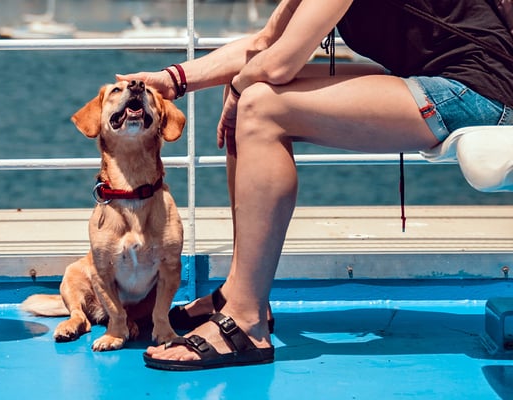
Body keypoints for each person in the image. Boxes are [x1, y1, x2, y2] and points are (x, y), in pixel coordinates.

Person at [118, 0, 513, 371]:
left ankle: (245, 320)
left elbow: (281, 63)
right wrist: (173, 79)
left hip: (481, 92)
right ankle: (241, 288)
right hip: (444, 80)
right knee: (248, 91)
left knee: (260, 105)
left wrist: (240, 91)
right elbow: (264, 46)